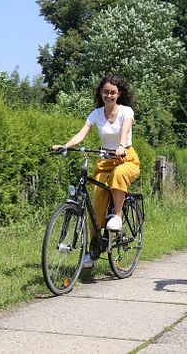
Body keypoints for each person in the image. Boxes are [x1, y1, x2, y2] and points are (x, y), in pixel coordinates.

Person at [52, 75, 140, 268]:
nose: (109, 95)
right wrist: (65, 146)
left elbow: (125, 131)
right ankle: (92, 251)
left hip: (126, 158)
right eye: (106, 92)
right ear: (101, 93)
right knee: (95, 206)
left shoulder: (126, 111)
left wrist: (121, 145)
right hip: (104, 162)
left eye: (113, 92)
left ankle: (117, 216)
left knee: (119, 175)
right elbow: (82, 133)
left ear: (119, 94)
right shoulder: (96, 114)